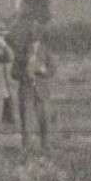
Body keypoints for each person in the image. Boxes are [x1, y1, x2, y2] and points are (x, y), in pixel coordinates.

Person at [11, 22, 55, 152]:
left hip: (42, 91)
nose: (33, 45)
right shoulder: (21, 53)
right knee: (27, 121)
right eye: (31, 41)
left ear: (40, 41)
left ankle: (46, 145)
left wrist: (44, 70)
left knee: (45, 120)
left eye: (36, 41)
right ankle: (27, 147)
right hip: (27, 91)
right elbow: (13, 73)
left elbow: (53, 69)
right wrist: (24, 74)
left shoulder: (46, 51)